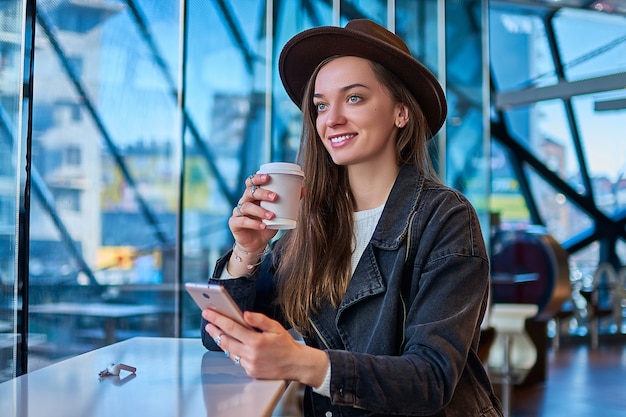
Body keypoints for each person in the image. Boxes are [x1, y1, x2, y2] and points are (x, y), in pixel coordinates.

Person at [201, 19, 503, 417]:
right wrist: (247, 251)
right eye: (321, 105)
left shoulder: (445, 218)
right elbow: (223, 337)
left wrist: (301, 362)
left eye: (355, 98)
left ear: (400, 113)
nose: (332, 119)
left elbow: (431, 379)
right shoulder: (311, 221)